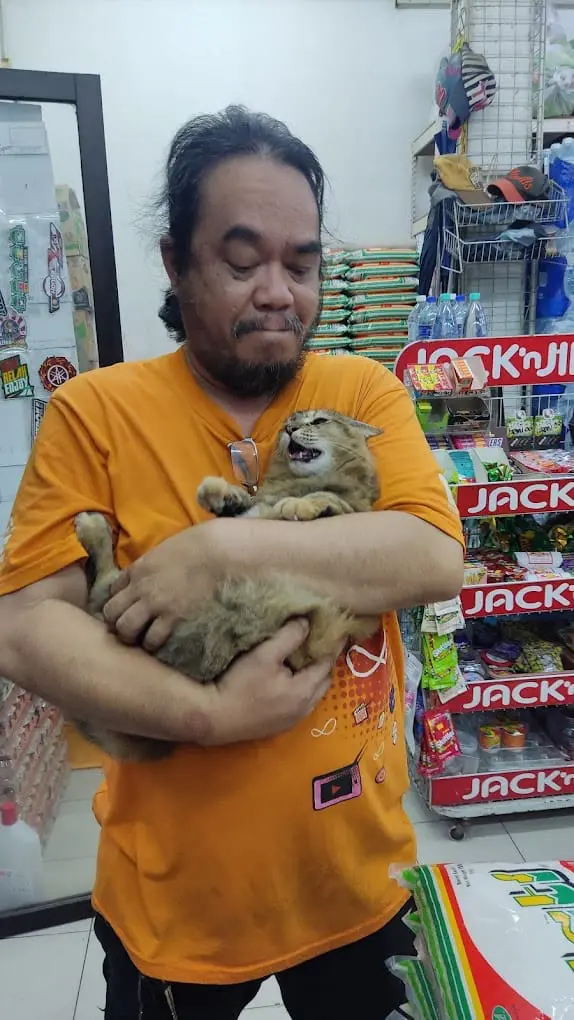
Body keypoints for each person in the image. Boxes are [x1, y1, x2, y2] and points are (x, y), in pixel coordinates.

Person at [0, 107, 463, 1019]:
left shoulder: (361, 391)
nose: (279, 292)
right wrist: (206, 714)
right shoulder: (96, 412)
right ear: (175, 263)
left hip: (358, 880)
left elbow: (431, 554)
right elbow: (22, 624)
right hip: (176, 901)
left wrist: (221, 547)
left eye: (302, 262)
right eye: (243, 262)